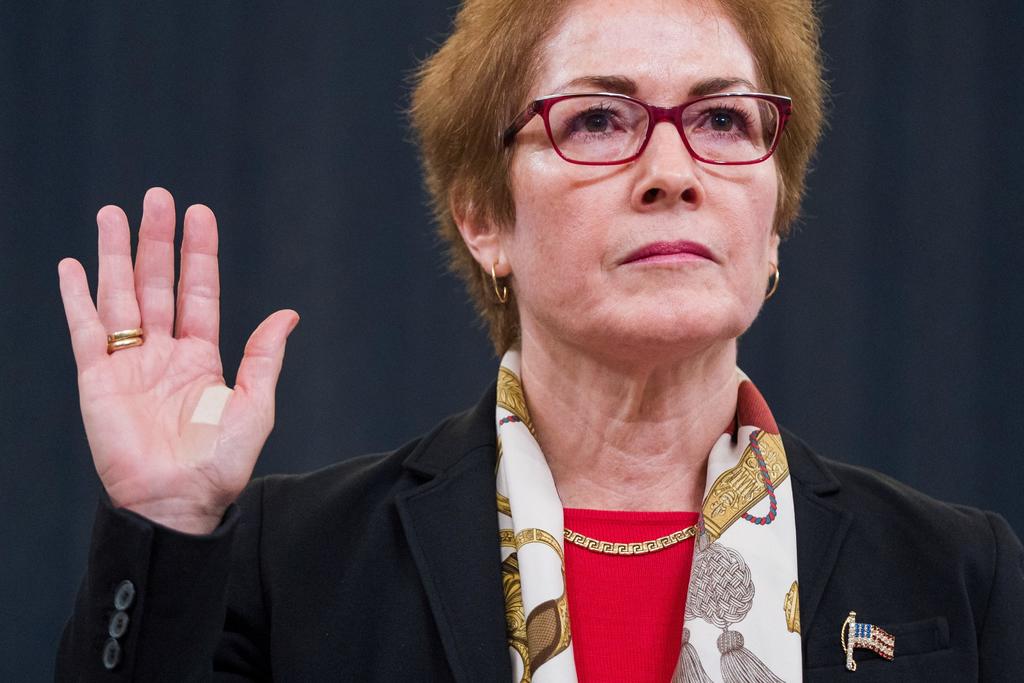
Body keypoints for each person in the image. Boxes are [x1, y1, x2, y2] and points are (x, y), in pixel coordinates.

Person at [56, 0, 1023, 680]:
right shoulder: (297, 565)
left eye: (724, 119)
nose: (673, 170)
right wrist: (165, 526)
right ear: (485, 216)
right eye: (598, 119)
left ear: (774, 221)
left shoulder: (960, 574)